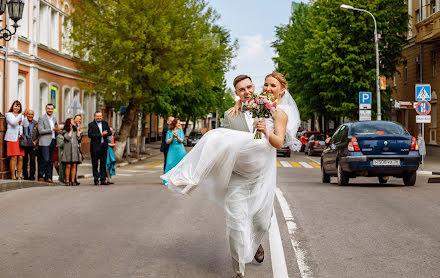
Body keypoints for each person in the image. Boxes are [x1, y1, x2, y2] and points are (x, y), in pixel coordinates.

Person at [161, 72, 301, 278]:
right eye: (242, 90)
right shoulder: (231, 114)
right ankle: (239, 271)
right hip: (238, 175)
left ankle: (254, 245)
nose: (247, 92)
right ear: (236, 93)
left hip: (262, 175)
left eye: (250, 88)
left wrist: (264, 129)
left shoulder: (271, 108)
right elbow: (225, 146)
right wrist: (238, 105)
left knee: (262, 222)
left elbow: (278, 140)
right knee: (236, 221)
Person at [37, 103, 59, 183]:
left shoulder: (54, 118)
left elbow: (56, 130)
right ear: (46, 109)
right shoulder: (41, 118)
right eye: (48, 108)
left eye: (51, 109)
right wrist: (51, 130)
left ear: (53, 109)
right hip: (44, 142)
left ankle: (48, 177)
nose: (50, 110)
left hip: (53, 141)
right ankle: (40, 175)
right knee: (45, 159)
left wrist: (58, 134)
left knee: (50, 160)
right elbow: (40, 130)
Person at [88, 111, 112, 185]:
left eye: (100, 116)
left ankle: (103, 179)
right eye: (97, 116)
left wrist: (106, 134)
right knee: (95, 164)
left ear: (102, 116)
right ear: (94, 117)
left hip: (103, 146)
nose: (99, 118)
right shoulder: (91, 125)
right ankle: (96, 179)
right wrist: (101, 135)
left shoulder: (105, 123)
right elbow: (90, 135)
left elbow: (110, 133)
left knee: (103, 163)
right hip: (95, 147)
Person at [162, 118, 186, 184]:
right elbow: (167, 142)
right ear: (175, 124)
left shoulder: (180, 131)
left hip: (180, 150)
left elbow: (181, 140)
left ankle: (180, 180)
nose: (179, 124)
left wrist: (177, 137)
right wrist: (172, 137)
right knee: (169, 164)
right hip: (172, 150)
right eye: (178, 123)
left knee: (181, 165)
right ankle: (167, 180)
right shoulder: (169, 132)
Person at [5, 100, 25, 179]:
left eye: (18, 106)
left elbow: (25, 125)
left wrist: (24, 117)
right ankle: (13, 175)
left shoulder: (21, 116)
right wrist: (21, 115)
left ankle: (19, 176)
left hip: (20, 138)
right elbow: (13, 122)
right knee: (14, 157)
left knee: (20, 157)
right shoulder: (9, 115)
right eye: (16, 106)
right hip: (12, 138)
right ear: (12, 107)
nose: (17, 107)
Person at [62, 118, 82, 186]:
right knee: (68, 165)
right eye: (72, 120)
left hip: (75, 149)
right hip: (68, 150)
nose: (74, 121)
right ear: (69, 122)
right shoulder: (65, 131)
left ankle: (73, 181)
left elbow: (79, 138)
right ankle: (67, 180)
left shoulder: (75, 130)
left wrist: (78, 130)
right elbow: (68, 138)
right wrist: (71, 130)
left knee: (74, 165)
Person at [73, 114, 83, 185]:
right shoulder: (73, 126)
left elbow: (79, 139)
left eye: (80, 119)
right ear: (74, 119)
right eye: (77, 119)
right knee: (73, 164)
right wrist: (78, 130)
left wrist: (80, 131)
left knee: (76, 164)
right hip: (72, 146)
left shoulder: (80, 127)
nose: (78, 120)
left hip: (78, 146)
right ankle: (72, 179)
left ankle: (75, 178)